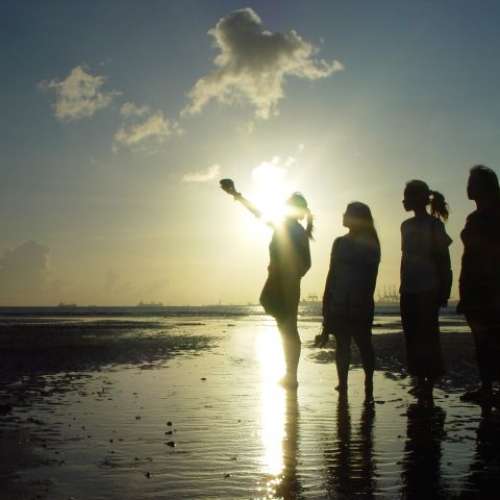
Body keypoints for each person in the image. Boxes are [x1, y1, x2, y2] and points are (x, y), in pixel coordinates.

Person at [220, 179, 312, 389]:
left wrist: (290, 275)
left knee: (288, 327)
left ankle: (291, 375)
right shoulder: (286, 226)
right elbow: (258, 213)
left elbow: (306, 263)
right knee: (284, 324)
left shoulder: (293, 229)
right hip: (280, 280)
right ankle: (290, 374)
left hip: (286, 282)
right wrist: (237, 195)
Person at [318, 202, 380, 400]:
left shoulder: (369, 243)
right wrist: (327, 301)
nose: (343, 215)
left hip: (359, 302)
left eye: (347, 213)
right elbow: (332, 274)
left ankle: (368, 382)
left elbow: (371, 277)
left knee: (364, 343)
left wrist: (362, 300)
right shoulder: (339, 242)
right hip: (339, 301)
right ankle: (343, 383)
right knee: (342, 344)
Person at [400, 180, 452, 401]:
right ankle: (420, 379)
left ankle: (429, 382)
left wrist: (445, 289)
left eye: (407, 196)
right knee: (412, 336)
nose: (404, 200)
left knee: (427, 336)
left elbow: (444, 259)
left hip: (428, 288)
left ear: (418, 199)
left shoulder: (434, 225)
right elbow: (405, 258)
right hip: (408, 288)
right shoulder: (405, 225)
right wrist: (402, 285)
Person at [457, 165, 500, 403]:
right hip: (473, 287)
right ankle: (486, 388)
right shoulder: (474, 217)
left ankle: (489, 389)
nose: (468, 186)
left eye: (472, 182)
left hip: (490, 288)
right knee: (482, 343)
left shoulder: (493, 216)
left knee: (491, 340)